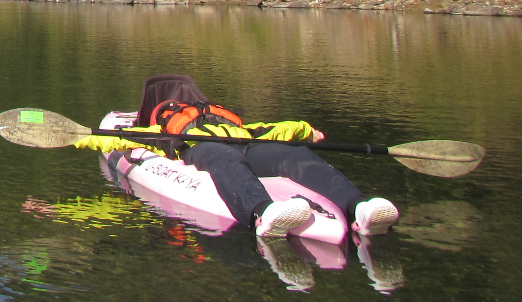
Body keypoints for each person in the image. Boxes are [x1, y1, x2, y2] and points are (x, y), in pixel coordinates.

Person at [74, 74, 400, 239]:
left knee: (296, 156)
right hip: (203, 150)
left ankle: (360, 207)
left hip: (248, 144)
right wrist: (80, 139)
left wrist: (305, 131)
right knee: (224, 161)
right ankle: (263, 214)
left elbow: (272, 129)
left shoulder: (233, 122)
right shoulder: (161, 132)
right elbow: (115, 138)